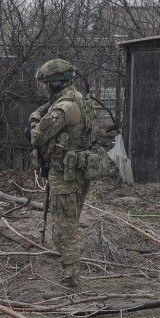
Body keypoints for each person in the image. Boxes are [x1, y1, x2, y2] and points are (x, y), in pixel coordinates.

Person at [28, 58, 96, 295]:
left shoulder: (64, 108)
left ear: (55, 83)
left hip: (65, 175)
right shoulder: (80, 99)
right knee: (69, 222)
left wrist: (35, 119)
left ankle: (70, 280)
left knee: (64, 228)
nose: (44, 87)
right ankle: (71, 274)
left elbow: (38, 136)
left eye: (46, 83)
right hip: (77, 171)